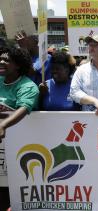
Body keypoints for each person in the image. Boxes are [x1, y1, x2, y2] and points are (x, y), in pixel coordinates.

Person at [0, 47, 39, 211]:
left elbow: (23, 109)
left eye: (7, 60)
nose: (1, 62)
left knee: (8, 193)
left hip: (16, 151)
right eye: (0, 58)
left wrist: (3, 125)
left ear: (18, 65)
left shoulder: (28, 86)